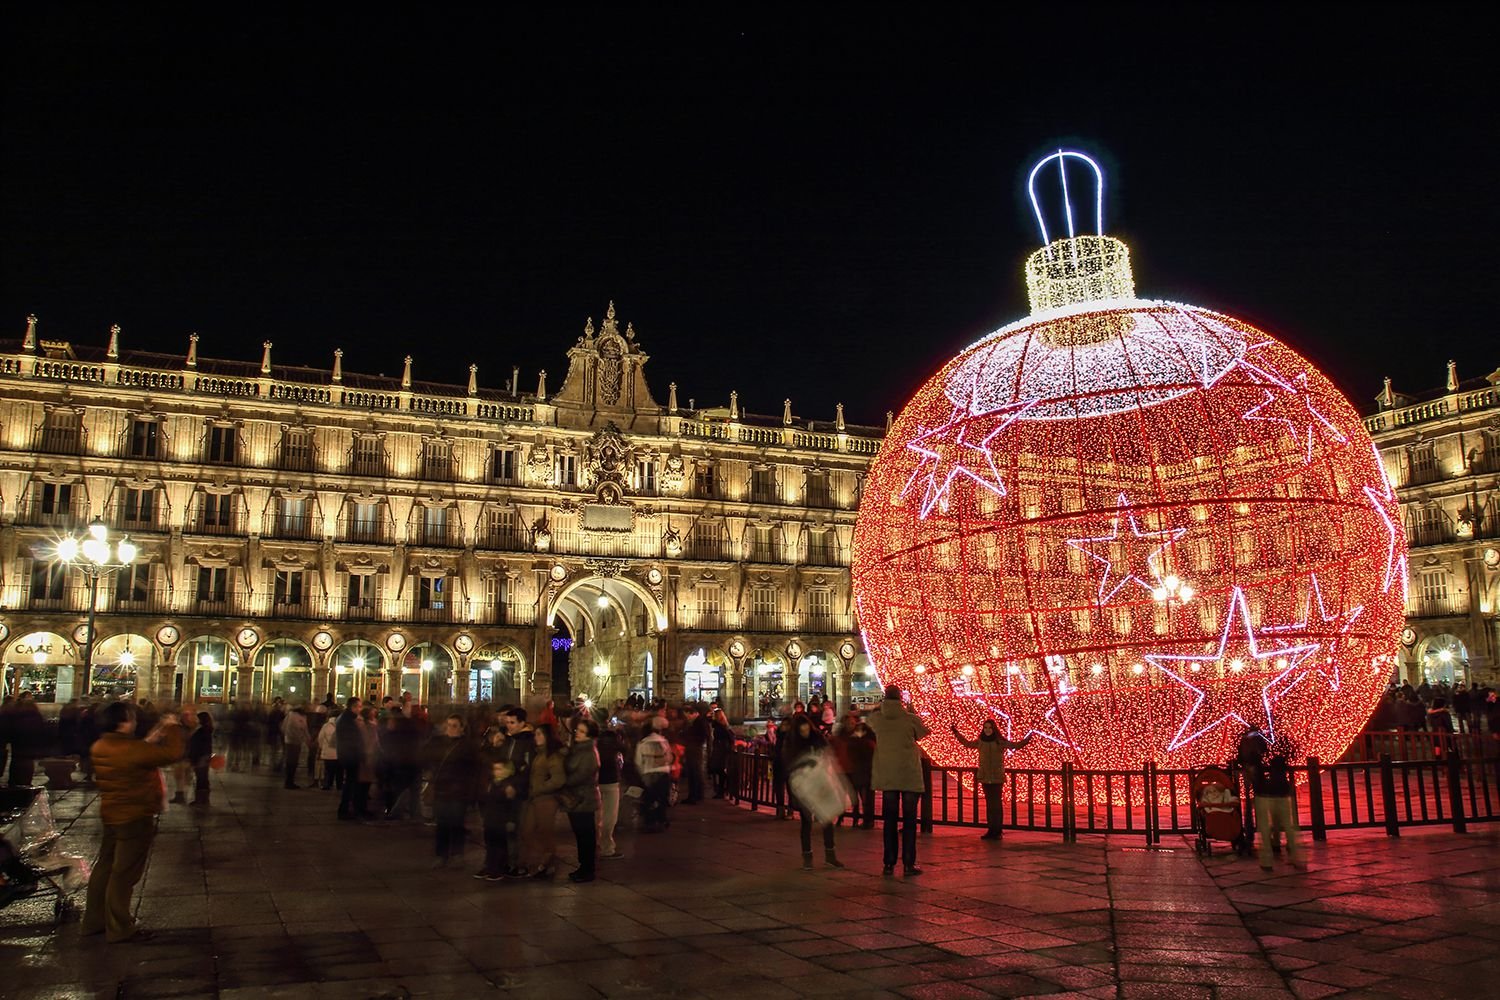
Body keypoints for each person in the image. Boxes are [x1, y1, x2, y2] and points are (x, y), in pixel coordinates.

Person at [82, 702, 185, 942]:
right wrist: (171, 728)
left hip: (111, 813)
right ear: (123, 721)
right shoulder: (130, 750)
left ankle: (93, 920)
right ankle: (120, 927)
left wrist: (153, 736)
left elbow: (135, 752)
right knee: (124, 872)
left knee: (104, 866)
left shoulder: (102, 745)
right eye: (132, 718)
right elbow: (170, 754)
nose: (136, 722)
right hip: (134, 815)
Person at [867, 685, 930, 876]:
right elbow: (924, 732)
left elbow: (869, 723)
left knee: (889, 821)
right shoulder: (910, 719)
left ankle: (888, 863)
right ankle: (909, 864)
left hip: (887, 775)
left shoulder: (876, 719)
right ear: (901, 698)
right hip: (909, 774)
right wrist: (910, 710)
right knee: (910, 821)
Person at [780, 713, 842, 870]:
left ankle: (830, 855)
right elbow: (789, 763)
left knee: (827, 819)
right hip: (804, 785)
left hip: (820, 782)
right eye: (802, 729)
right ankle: (807, 857)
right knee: (806, 822)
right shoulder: (792, 743)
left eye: (807, 728)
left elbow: (827, 753)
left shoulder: (817, 738)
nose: (805, 731)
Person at [951, 719, 1031, 839]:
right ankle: (991, 829)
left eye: (989, 728)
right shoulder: (980, 742)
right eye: (985, 728)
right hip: (985, 777)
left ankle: (997, 830)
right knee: (990, 805)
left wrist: (1027, 739)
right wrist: (956, 733)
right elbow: (967, 743)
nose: (987, 730)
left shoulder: (1000, 742)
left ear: (994, 729)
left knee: (996, 805)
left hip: (997, 777)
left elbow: (1015, 745)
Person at [423, 714, 480, 867]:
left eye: (455, 725)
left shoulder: (467, 746)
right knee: (442, 823)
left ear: (462, 728)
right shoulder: (437, 742)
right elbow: (427, 758)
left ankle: (457, 854)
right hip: (441, 788)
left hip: (458, 790)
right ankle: (441, 854)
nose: (451, 729)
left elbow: (473, 769)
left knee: (457, 823)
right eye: (449, 725)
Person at [520, 724, 566, 878]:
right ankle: (546, 858)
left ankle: (548, 861)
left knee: (545, 831)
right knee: (527, 830)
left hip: (547, 798)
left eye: (540, 734)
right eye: (535, 734)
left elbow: (558, 779)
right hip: (535, 797)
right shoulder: (539, 754)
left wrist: (540, 787)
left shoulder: (552, 756)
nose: (536, 737)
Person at [1252, 740, 1305, 870]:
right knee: (1288, 825)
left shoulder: (1254, 746)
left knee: (1265, 828)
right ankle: (1296, 856)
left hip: (1263, 794)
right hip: (1281, 792)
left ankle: (1267, 859)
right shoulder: (1281, 743)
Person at [563, 717, 601, 883]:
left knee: (586, 835)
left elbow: (581, 775)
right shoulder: (577, 750)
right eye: (577, 730)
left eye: (582, 731)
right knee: (580, 834)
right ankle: (583, 866)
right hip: (575, 798)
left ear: (589, 736)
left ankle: (587, 868)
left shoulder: (588, 754)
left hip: (583, 799)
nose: (577, 733)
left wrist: (563, 781)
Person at [634, 716, 674, 833]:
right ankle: (661, 819)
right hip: (663, 772)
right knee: (662, 798)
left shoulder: (642, 743)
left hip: (648, 773)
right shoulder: (664, 742)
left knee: (649, 799)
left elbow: (638, 761)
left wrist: (642, 772)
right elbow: (669, 757)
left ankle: (650, 821)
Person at [838, 716, 876, 828]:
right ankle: (857, 818)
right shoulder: (844, 735)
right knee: (853, 795)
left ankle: (866, 819)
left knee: (866, 797)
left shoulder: (864, 738)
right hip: (852, 769)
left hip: (862, 769)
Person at [595, 722, 624, 859]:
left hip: (596, 781)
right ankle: (607, 848)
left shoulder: (595, 744)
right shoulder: (615, 743)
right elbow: (626, 751)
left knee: (596, 815)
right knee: (610, 816)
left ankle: (595, 842)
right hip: (611, 781)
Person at [335, 697, 365, 819]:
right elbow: (352, 739)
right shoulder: (347, 720)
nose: (360, 709)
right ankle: (345, 810)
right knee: (350, 783)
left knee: (350, 783)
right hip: (350, 755)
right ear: (352, 707)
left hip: (348, 754)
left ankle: (348, 808)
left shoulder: (346, 718)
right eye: (358, 706)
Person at [187, 711, 215, 806]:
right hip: (201, 757)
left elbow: (202, 746)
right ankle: (203, 799)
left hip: (201, 757)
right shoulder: (204, 730)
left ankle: (201, 800)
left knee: (201, 778)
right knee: (202, 778)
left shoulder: (203, 731)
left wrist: (202, 757)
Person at [707, 708, 734, 799]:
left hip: (721, 750)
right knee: (720, 771)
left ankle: (722, 790)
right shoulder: (723, 725)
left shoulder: (720, 727)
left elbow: (730, 738)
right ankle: (723, 789)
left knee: (721, 770)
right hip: (721, 749)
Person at [281, 706, 310, 789]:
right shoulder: (300, 717)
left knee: (290, 761)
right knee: (293, 762)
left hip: (289, 741)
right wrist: (306, 739)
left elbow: (283, 727)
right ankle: (289, 782)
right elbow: (304, 729)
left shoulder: (289, 716)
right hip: (295, 742)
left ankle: (289, 781)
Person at [317, 708, 341, 789]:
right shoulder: (342, 726)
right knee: (339, 771)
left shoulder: (326, 726)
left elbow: (320, 738)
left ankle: (328, 784)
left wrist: (322, 747)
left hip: (328, 753)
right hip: (340, 753)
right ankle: (339, 785)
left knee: (328, 770)